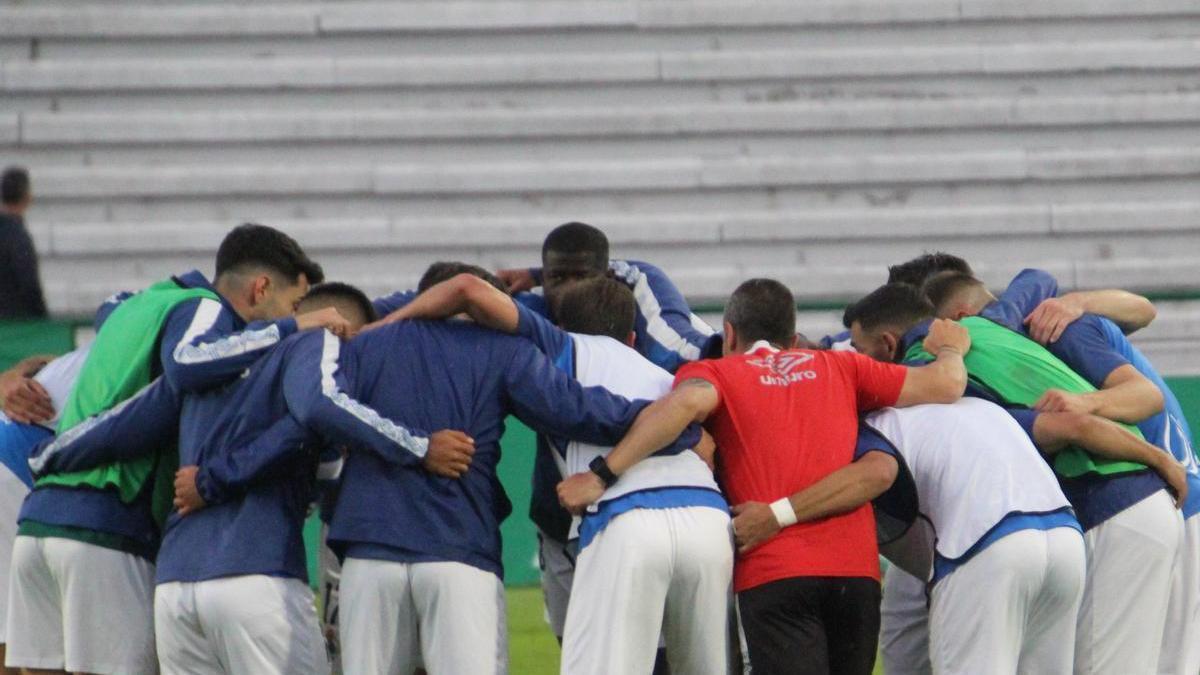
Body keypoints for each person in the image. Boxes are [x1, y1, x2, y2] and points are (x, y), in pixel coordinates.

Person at [27, 283, 475, 675]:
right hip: (255, 576)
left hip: (176, 590)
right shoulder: (316, 351)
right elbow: (311, 416)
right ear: (345, 332)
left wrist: (47, 455)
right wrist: (420, 447)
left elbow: (123, 425)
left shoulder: (207, 364)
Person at [558, 278, 974, 675]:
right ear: (793, 339)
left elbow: (681, 408)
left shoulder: (718, 374)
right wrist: (952, 349)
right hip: (855, 573)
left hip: (774, 570)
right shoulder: (843, 367)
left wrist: (602, 474)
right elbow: (947, 384)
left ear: (729, 333)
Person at [6, 223, 346, 675]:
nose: (299, 315)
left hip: (40, 516)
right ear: (261, 287)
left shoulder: (145, 302)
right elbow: (179, 375)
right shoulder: (204, 312)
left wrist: (51, 457)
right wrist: (293, 326)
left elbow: (113, 325)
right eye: (295, 301)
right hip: (104, 520)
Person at [297, 293, 688, 674]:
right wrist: (676, 423)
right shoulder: (501, 349)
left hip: (369, 551)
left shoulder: (362, 347)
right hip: (458, 546)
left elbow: (317, 415)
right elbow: (579, 411)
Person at [390, 273, 730, 674]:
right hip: (710, 522)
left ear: (561, 326)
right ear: (635, 337)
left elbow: (468, 289)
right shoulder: (670, 377)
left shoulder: (558, 347)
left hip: (626, 518)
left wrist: (388, 322)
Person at [845, 282, 1184, 675]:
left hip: (1102, 506)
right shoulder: (998, 323)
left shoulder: (925, 371)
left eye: (859, 349)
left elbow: (1068, 423)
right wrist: (1159, 457)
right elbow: (1037, 277)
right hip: (1104, 511)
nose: (858, 359)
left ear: (889, 343)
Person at [935, 267, 1200, 675]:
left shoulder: (1058, 327)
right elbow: (1142, 310)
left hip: (1167, 497)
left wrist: (1085, 400)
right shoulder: (1041, 332)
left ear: (958, 320)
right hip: (1169, 497)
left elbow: (1143, 385)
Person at [0, 167, 47, 319]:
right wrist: (41, 316)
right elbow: (28, 284)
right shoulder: (17, 236)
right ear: (27, 197)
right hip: (15, 325)